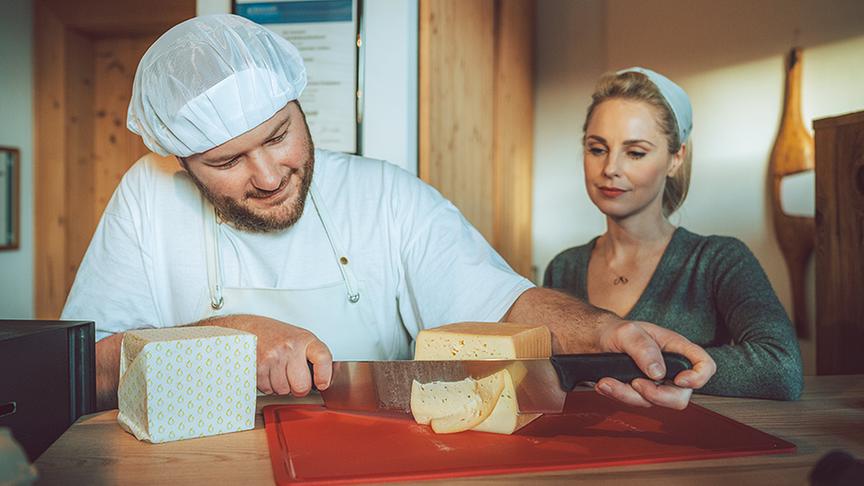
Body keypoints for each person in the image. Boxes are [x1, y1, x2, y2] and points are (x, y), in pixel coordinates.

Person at [61, 15, 715, 411]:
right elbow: (82, 371)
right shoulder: (146, 199)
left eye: (278, 136)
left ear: (299, 105)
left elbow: (501, 302)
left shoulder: (386, 197)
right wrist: (218, 338)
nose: (266, 175)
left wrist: (603, 333)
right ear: (183, 162)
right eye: (227, 163)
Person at [544, 67, 802, 400]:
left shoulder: (717, 260)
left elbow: (781, 368)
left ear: (675, 158)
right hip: (582, 449)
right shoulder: (563, 267)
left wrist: (651, 366)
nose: (610, 168)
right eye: (597, 149)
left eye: (635, 152)